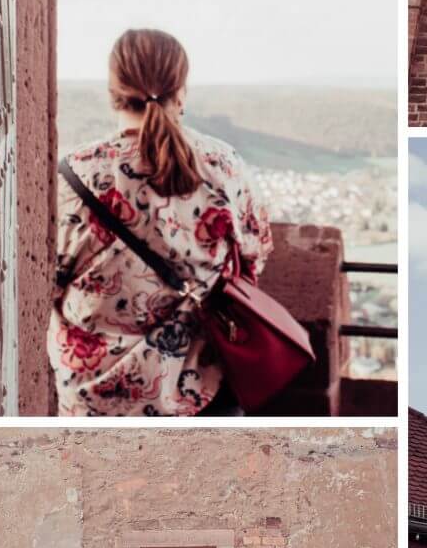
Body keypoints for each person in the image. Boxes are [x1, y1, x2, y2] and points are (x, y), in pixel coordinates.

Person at [48, 28, 272, 416]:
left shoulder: (73, 176)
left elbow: (47, 279)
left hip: (93, 398)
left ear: (112, 90)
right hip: (200, 389)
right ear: (181, 91)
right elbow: (253, 258)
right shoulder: (222, 166)